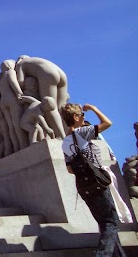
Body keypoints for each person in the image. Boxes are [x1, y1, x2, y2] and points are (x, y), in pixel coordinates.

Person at [61, 103, 126, 257]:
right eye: (83, 115)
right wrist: (94, 108)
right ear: (76, 117)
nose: (84, 118)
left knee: (105, 225)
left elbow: (70, 169)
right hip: (97, 182)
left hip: (83, 186)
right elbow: (107, 123)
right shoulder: (82, 133)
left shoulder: (65, 142)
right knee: (111, 223)